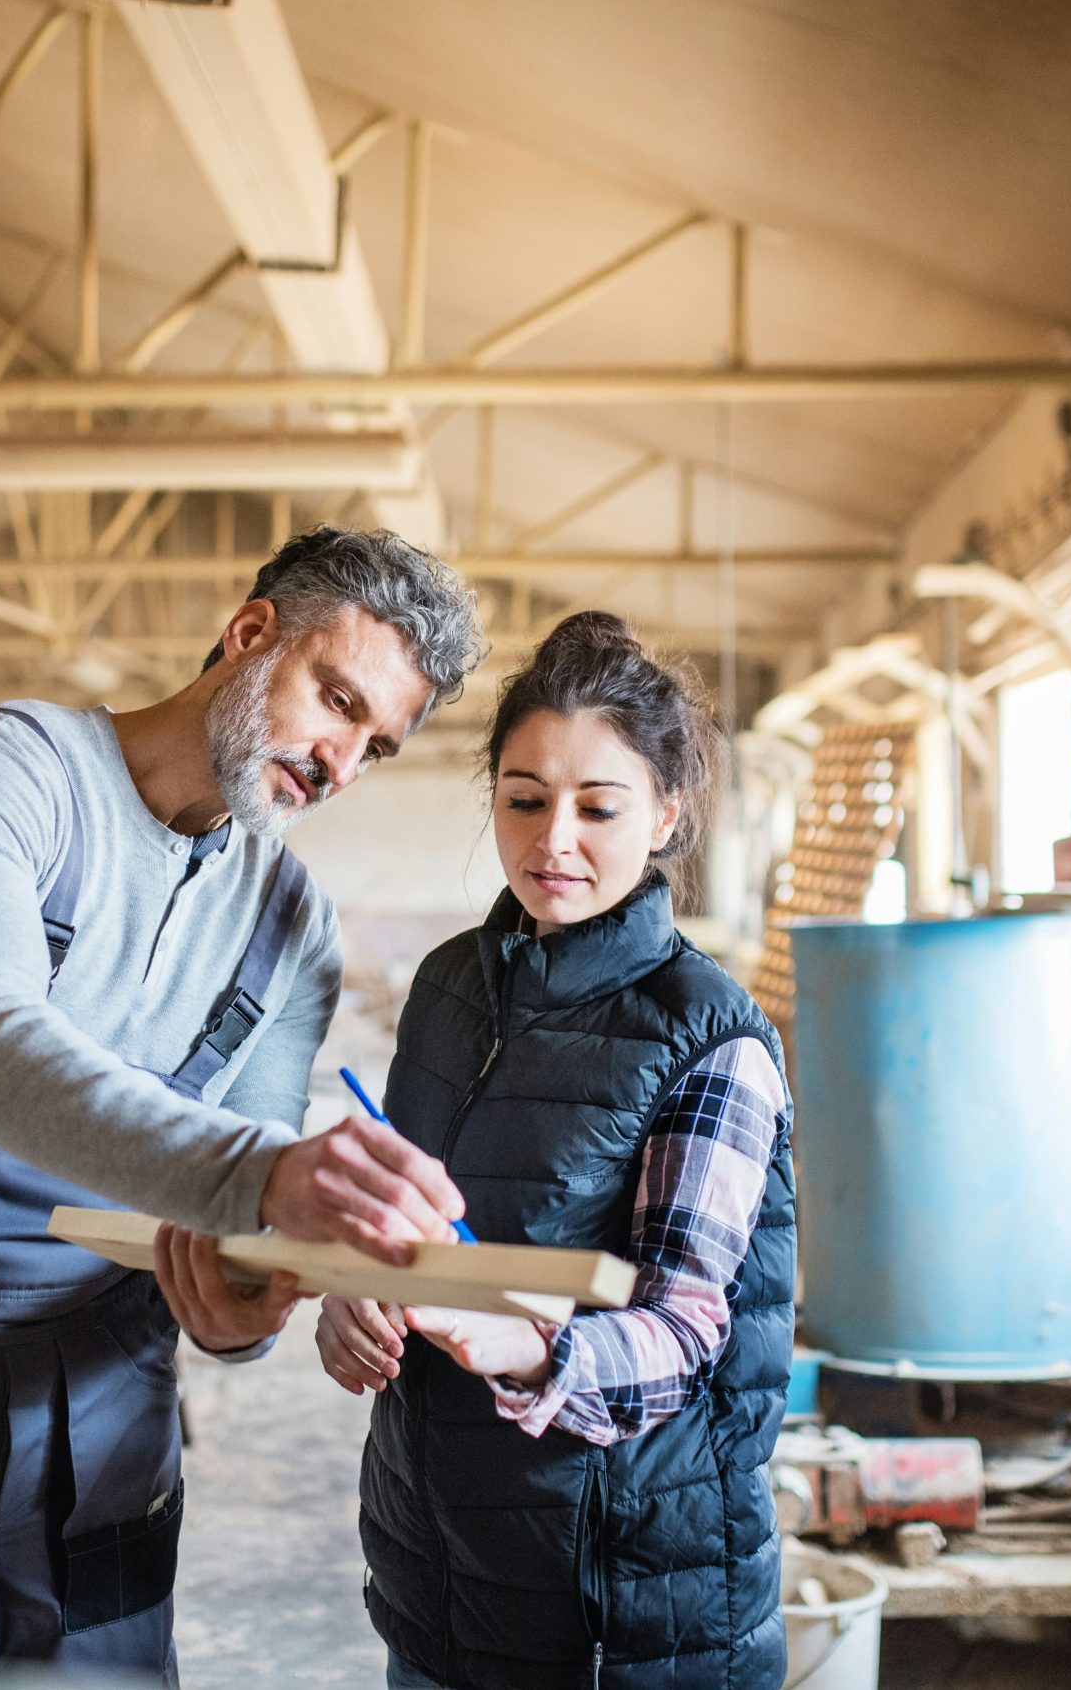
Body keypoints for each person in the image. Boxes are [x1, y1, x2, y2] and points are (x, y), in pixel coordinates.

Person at [0, 526, 485, 1679]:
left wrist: (237, 1304)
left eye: (375, 746)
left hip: (104, 1398)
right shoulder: (3, 770)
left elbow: (232, 1241)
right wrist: (262, 1181)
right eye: (334, 699)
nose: (339, 760)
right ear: (247, 636)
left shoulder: (290, 928)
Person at [317, 611, 799, 1690]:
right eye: (524, 800)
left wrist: (524, 1344)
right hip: (438, 1572)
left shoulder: (709, 1039)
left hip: (624, 1609)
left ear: (668, 813)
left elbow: (684, 1337)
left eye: (598, 806)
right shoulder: (447, 990)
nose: (554, 841)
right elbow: (402, 1231)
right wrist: (355, 1297)